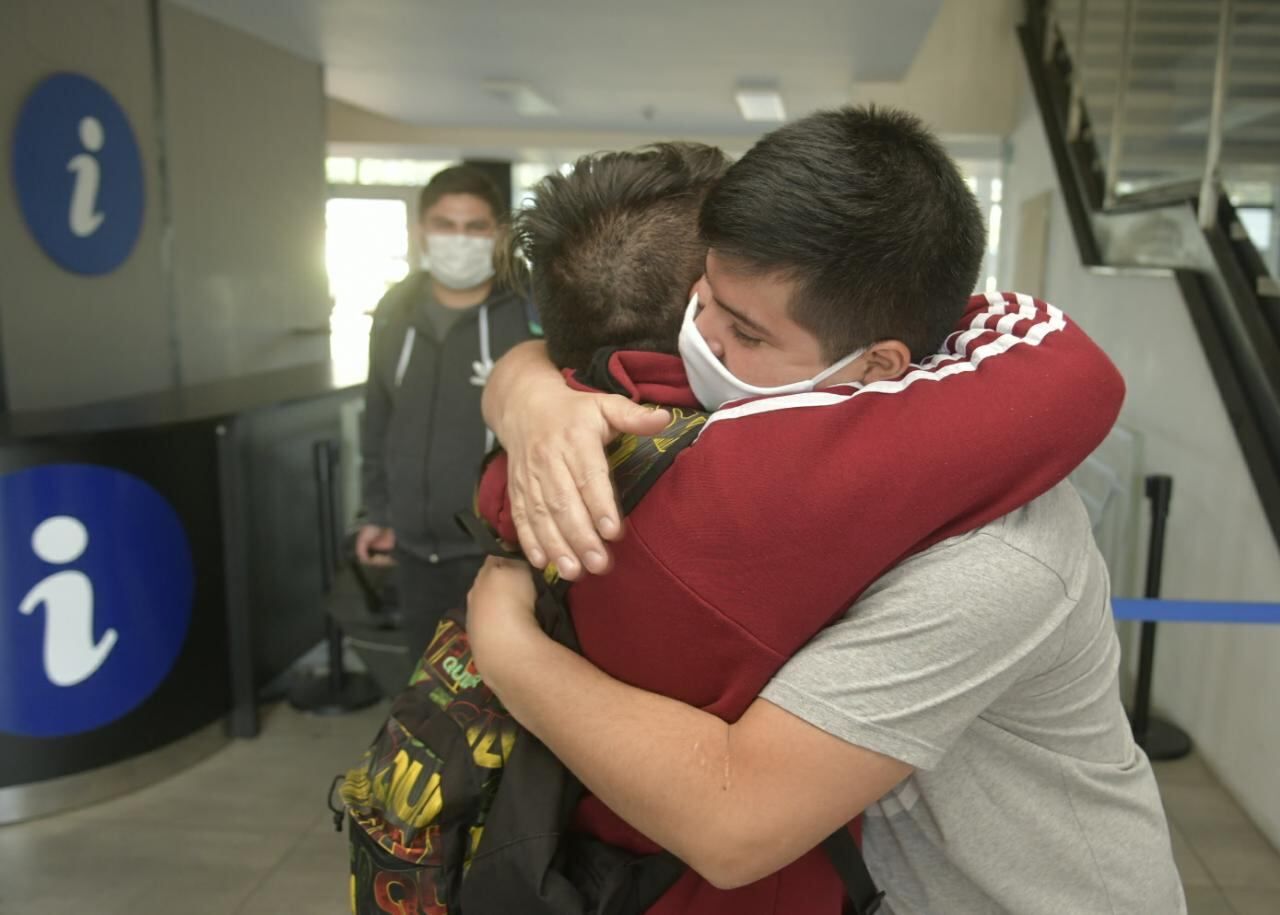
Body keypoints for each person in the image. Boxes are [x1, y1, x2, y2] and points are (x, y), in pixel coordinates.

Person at [467, 106, 1186, 914]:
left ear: (877, 364)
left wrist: (507, 645)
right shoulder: (799, 410)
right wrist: (529, 395)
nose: (698, 340)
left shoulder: (993, 556)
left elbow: (736, 819)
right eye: (701, 300)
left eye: (745, 332)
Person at [358, 164, 536, 661]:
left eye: (475, 227)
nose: (460, 239)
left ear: (498, 234)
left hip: (501, 553)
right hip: (415, 551)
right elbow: (379, 418)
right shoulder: (395, 310)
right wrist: (378, 513)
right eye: (445, 225)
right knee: (424, 685)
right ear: (421, 231)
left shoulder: (530, 310)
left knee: (503, 687)